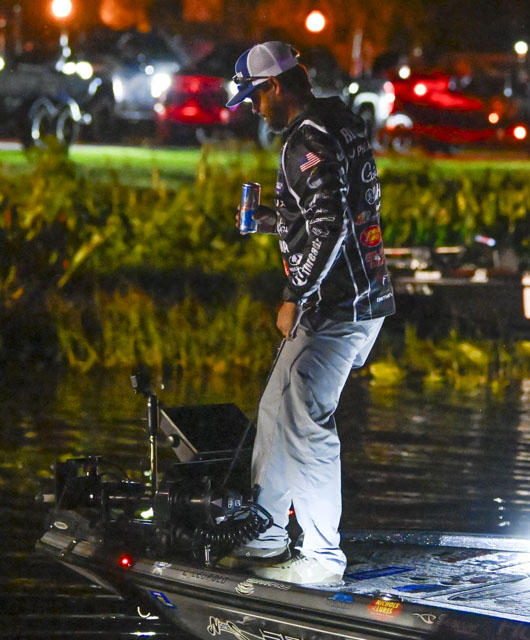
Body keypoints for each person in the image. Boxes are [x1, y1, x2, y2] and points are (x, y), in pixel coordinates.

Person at [225, 41, 395, 585]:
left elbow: (330, 225)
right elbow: (334, 208)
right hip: (356, 296)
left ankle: (322, 559)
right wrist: (271, 220)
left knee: (305, 421)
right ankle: (266, 532)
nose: (255, 110)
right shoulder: (339, 118)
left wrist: (295, 293)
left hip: (338, 305)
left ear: (276, 86)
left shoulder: (308, 137)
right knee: (275, 408)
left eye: (255, 98)